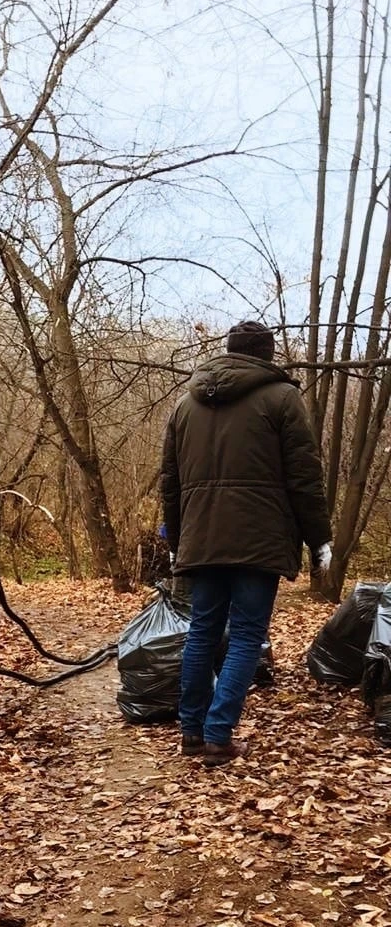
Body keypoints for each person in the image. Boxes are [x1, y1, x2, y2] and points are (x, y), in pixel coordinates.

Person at [161, 320, 331, 768]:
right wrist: (320, 540)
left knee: (202, 632)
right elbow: (304, 478)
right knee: (246, 636)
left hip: (201, 538)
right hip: (258, 539)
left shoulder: (184, 405)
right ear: (267, 355)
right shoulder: (282, 398)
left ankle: (192, 734)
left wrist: (178, 541)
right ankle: (218, 737)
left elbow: (170, 484)